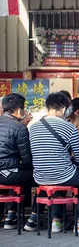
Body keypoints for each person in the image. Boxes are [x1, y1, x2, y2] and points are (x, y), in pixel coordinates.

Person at [28, 92, 79, 233]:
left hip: (40, 177)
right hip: (64, 175)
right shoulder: (69, 127)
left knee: (62, 171)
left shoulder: (33, 127)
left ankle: (55, 221)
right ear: (64, 109)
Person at [0, 94, 33, 230]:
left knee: (20, 173)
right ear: (19, 110)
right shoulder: (19, 128)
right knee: (40, 175)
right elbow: (26, 160)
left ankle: (11, 216)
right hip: (7, 173)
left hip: (6, 172)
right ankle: (34, 219)